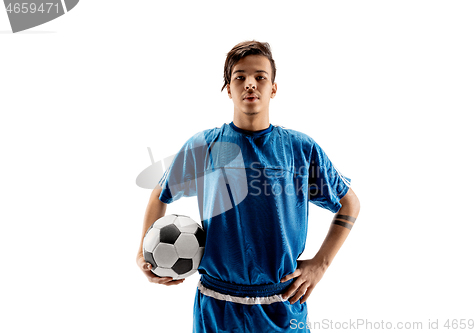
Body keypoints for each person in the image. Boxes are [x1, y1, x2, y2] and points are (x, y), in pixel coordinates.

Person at [136, 40, 361, 332]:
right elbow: (160, 193)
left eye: (260, 77)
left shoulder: (299, 149)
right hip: (217, 306)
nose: (250, 84)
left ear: (273, 88)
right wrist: (143, 253)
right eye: (240, 77)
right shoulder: (204, 146)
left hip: (281, 304)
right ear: (228, 89)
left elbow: (349, 201)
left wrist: (320, 264)